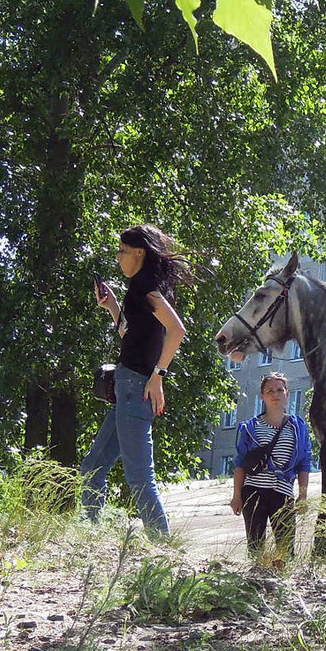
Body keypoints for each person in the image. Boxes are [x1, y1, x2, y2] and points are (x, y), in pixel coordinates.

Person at [81, 224, 192, 536]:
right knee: (92, 468)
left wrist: (158, 376)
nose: (118, 257)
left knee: (140, 479)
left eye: (122, 251)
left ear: (140, 253)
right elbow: (131, 336)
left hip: (134, 389)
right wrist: (113, 306)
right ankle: (90, 536)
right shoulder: (140, 289)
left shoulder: (146, 288)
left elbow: (177, 330)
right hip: (126, 388)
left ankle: (164, 547)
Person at [230, 372, 312, 560]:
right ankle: (255, 584)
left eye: (279, 390)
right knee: (256, 546)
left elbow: (304, 462)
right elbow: (240, 464)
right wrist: (236, 496)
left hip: (282, 492)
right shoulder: (250, 427)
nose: (275, 394)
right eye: (270, 391)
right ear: (262, 396)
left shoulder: (297, 427)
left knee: (286, 548)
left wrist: (303, 494)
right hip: (253, 491)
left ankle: (282, 586)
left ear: (287, 394)